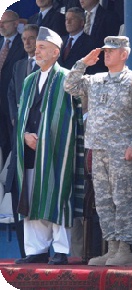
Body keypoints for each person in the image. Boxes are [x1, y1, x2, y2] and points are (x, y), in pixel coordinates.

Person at [64, 36, 132, 266]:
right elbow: (70, 85)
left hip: (122, 152)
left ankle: (124, 248)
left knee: (122, 199)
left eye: (112, 51)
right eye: (105, 51)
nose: (106, 55)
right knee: (103, 202)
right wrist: (83, 62)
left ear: (124, 54)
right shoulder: (96, 80)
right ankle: (111, 246)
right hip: (98, 149)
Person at [14, 26, 84, 265]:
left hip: (55, 151)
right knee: (32, 198)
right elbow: (22, 114)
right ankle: (37, 250)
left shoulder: (66, 78)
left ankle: (61, 249)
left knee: (56, 196)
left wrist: (44, 137)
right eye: (37, 47)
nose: (37, 51)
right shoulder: (29, 80)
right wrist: (25, 136)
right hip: (30, 150)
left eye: (43, 47)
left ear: (56, 52)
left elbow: (73, 118)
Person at [6, 24, 40, 258]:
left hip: (40, 144)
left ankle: (43, 250)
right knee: (21, 199)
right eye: (25, 39)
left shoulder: (48, 69)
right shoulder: (18, 67)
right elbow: (11, 101)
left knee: (38, 198)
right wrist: (19, 131)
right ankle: (25, 250)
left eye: (32, 39)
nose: (27, 42)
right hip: (20, 143)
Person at [0, 10, 26, 166]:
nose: (1, 26)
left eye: (5, 22)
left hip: (11, 99)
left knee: (11, 137)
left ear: (16, 23)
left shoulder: (22, 43)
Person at [80, 0, 121, 72]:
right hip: (80, 65)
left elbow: (111, 44)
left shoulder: (109, 17)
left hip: (98, 67)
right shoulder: (76, 16)